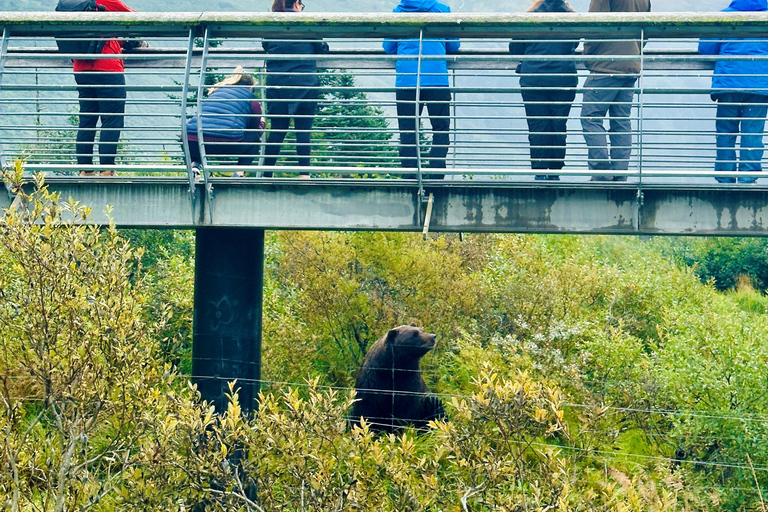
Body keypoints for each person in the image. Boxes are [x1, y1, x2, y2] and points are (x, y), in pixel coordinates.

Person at [384, 0, 460, 180]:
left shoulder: (398, 12)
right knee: (440, 128)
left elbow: (388, 48)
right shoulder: (442, 10)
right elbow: (454, 46)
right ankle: (436, 173)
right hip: (436, 78)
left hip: (407, 80)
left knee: (408, 129)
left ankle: (410, 175)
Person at [699, 0, 768, 184]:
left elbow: (705, 50)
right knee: (752, 133)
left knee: (726, 131)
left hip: (729, 82)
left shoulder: (723, 16)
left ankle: (725, 176)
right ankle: (747, 178)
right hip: (759, 85)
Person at [581, 0, 651, 181]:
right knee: (621, 121)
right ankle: (620, 174)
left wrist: (588, 56)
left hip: (606, 66)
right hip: (630, 66)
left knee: (591, 118)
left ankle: (601, 173)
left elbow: (595, 25)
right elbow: (647, 29)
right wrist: (633, 51)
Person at [509, 0, 578, 181]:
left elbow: (515, 48)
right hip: (564, 78)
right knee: (558, 124)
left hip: (534, 78)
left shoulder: (530, 17)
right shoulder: (572, 18)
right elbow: (574, 43)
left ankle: (540, 170)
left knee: (538, 124)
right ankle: (555, 170)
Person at [261, 0, 329, 177]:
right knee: (303, 129)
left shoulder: (271, 26)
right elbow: (321, 48)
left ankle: (267, 173)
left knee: (277, 128)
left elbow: (266, 45)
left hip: (277, 83)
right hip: (305, 83)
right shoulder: (307, 25)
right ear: (297, 4)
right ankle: (304, 174)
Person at [72, 0, 139, 176]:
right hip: (107, 67)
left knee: (87, 119)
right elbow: (138, 19)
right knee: (111, 119)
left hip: (81, 68)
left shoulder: (74, 3)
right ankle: (107, 169)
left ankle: (85, 170)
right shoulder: (107, 1)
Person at [185, 67, 265, 176]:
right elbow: (255, 128)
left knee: (193, 138)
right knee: (253, 139)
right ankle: (238, 173)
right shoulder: (250, 98)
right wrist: (262, 123)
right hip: (226, 141)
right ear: (250, 87)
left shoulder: (216, 92)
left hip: (192, 140)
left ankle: (194, 165)